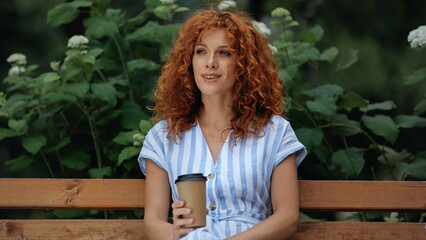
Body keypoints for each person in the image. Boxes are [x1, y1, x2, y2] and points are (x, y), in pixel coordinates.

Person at [138, 8, 306, 240]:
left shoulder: (275, 132)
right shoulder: (163, 136)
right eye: (201, 51)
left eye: (224, 53)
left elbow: (287, 218)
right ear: (189, 61)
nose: (210, 63)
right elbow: (153, 222)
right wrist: (173, 232)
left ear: (244, 63)